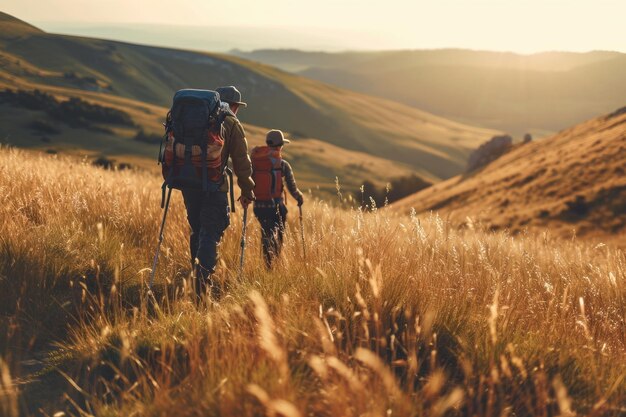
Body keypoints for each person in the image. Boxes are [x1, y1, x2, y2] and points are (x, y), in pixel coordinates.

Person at [181, 85, 255, 300]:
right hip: (214, 186)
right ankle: (202, 288)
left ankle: (196, 275)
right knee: (210, 232)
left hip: (188, 182)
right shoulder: (231, 122)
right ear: (234, 105)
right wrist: (248, 190)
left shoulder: (196, 117)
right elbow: (241, 162)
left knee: (197, 228)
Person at [251, 129, 304, 268]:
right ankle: (274, 264)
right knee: (277, 235)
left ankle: (267, 263)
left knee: (265, 233)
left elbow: (248, 181)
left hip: (259, 206)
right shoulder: (283, 164)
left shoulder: (256, 162)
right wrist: (299, 197)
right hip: (276, 206)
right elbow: (292, 187)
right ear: (280, 145)